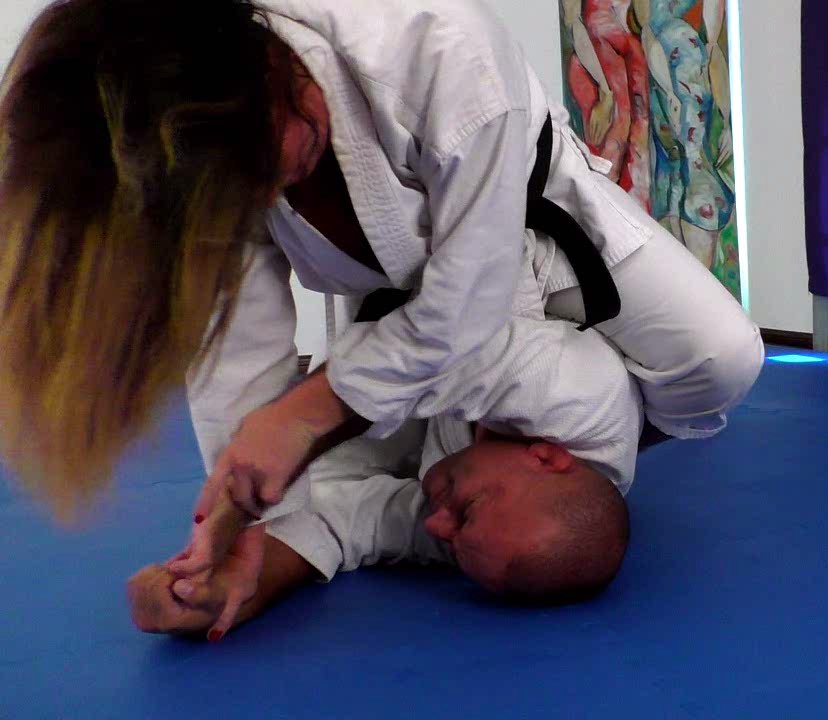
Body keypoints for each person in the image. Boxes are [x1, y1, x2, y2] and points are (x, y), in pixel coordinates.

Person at [0, 0, 762, 528]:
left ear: (267, 69)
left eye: (268, 159)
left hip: (531, 218)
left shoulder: (438, 45)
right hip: (389, 294)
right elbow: (237, 357)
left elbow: (470, 295)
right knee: (358, 476)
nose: (267, 195)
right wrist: (242, 517)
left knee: (720, 359)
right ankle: (451, 452)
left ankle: (547, 426)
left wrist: (309, 410)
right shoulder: (197, 156)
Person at [132, 314, 643, 639]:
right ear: (547, 458)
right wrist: (289, 431)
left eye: (451, 542)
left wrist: (229, 591)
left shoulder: (483, 537)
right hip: (454, 296)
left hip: (433, 418)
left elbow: (350, 525)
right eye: (465, 512)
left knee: (303, 481)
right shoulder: (581, 396)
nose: (437, 525)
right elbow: (440, 344)